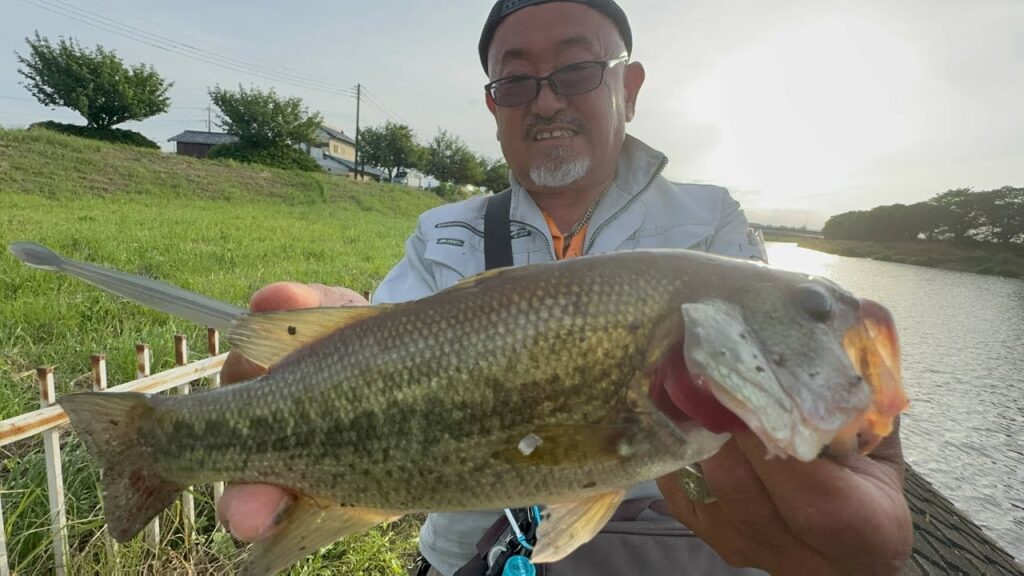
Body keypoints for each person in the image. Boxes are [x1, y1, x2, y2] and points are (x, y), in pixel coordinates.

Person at [217, 1, 914, 574]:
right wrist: (315, 349)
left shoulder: (712, 222)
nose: (546, 99)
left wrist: (836, 434)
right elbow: (385, 355)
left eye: (577, 70)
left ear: (628, 89)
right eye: (516, 83)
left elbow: (765, 403)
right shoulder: (442, 230)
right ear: (494, 106)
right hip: (470, 561)